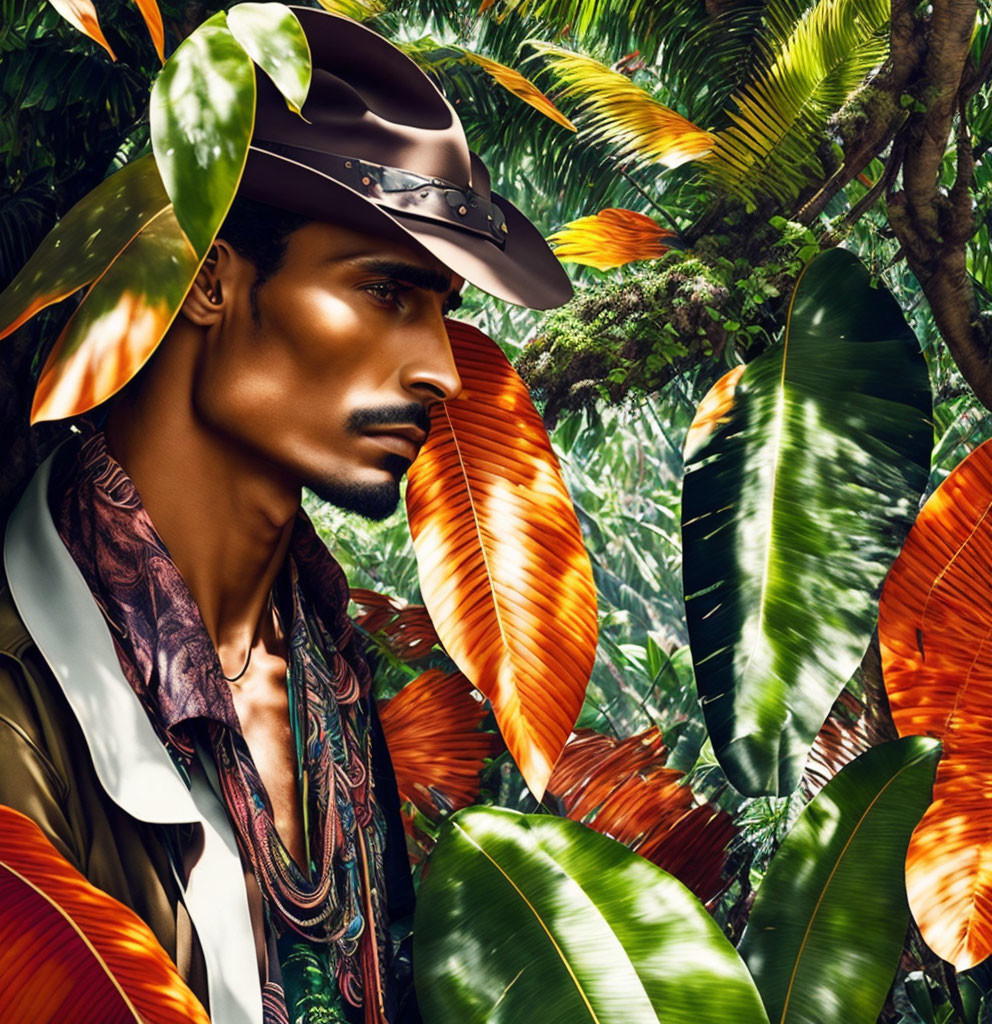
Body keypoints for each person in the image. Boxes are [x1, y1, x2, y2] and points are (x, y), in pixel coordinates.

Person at [0, 8, 571, 1024]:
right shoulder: (23, 698)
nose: (440, 368)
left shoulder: (338, 672)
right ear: (211, 278)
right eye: (387, 290)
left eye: (443, 308)